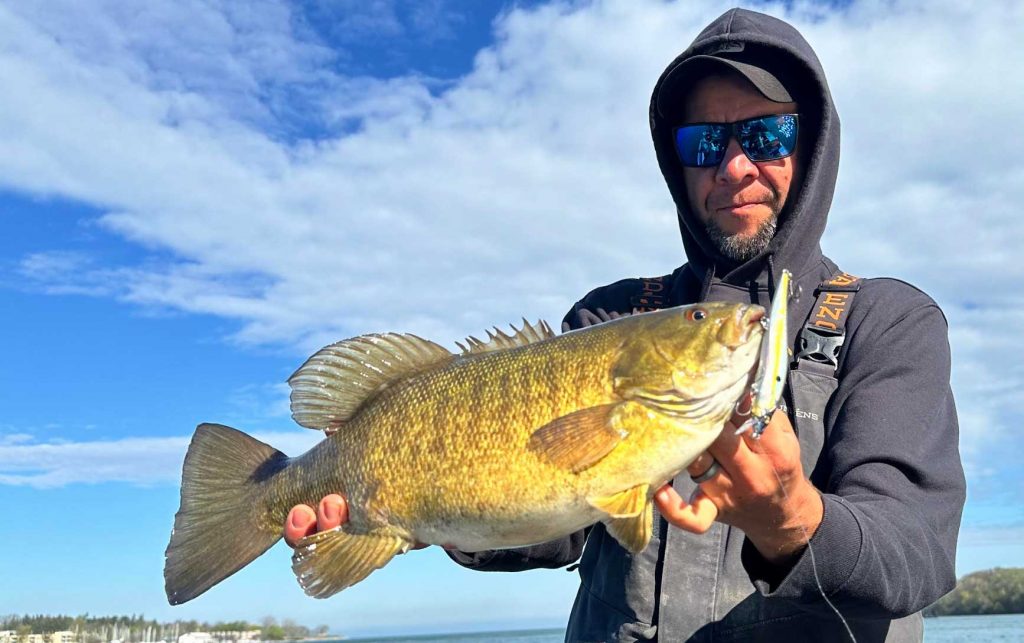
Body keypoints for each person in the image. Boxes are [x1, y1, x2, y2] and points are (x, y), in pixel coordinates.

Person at [284, 8, 965, 642]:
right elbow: (557, 526)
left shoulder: (889, 323)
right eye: (704, 142)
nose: (734, 166)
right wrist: (432, 512)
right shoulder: (607, 318)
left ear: (809, 145)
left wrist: (795, 519)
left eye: (766, 135)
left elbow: (916, 553)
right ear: (676, 161)